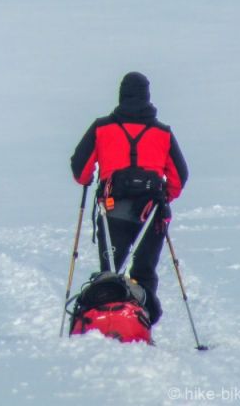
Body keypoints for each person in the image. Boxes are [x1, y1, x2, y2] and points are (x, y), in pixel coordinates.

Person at [70, 72, 188, 325]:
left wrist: (89, 179)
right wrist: (165, 198)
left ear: (121, 94)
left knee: (111, 270)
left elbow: (80, 169)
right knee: (144, 270)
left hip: (112, 211)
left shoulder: (102, 128)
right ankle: (143, 319)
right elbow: (180, 176)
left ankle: (107, 319)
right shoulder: (163, 133)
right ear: (147, 95)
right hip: (152, 213)